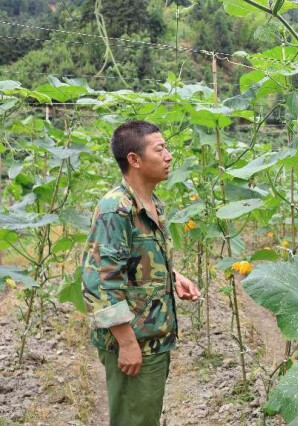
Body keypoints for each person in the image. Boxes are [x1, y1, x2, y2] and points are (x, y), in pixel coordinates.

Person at [81, 121, 201, 426]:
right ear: (134, 159)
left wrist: (174, 277)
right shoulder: (116, 209)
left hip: (152, 339)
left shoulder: (151, 203)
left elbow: (134, 260)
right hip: (135, 341)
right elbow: (100, 283)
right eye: (159, 149)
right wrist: (127, 343)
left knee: (143, 417)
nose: (169, 156)